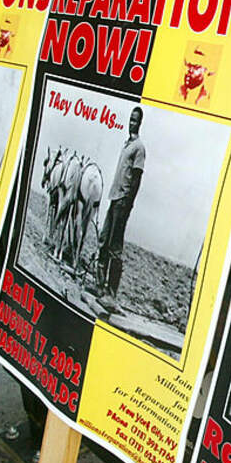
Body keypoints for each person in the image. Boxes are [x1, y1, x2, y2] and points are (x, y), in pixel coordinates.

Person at [94, 105, 146, 313]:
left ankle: (111, 294)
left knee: (115, 247)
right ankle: (99, 286)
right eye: (130, 119)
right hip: (114, 198)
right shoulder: (127, 145)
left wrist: (128, 205)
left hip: (122, 202)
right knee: (104, 240)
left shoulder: (139, 148)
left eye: (135, 120)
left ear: (139, 123)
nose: (131, 123)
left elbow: (136, 179)